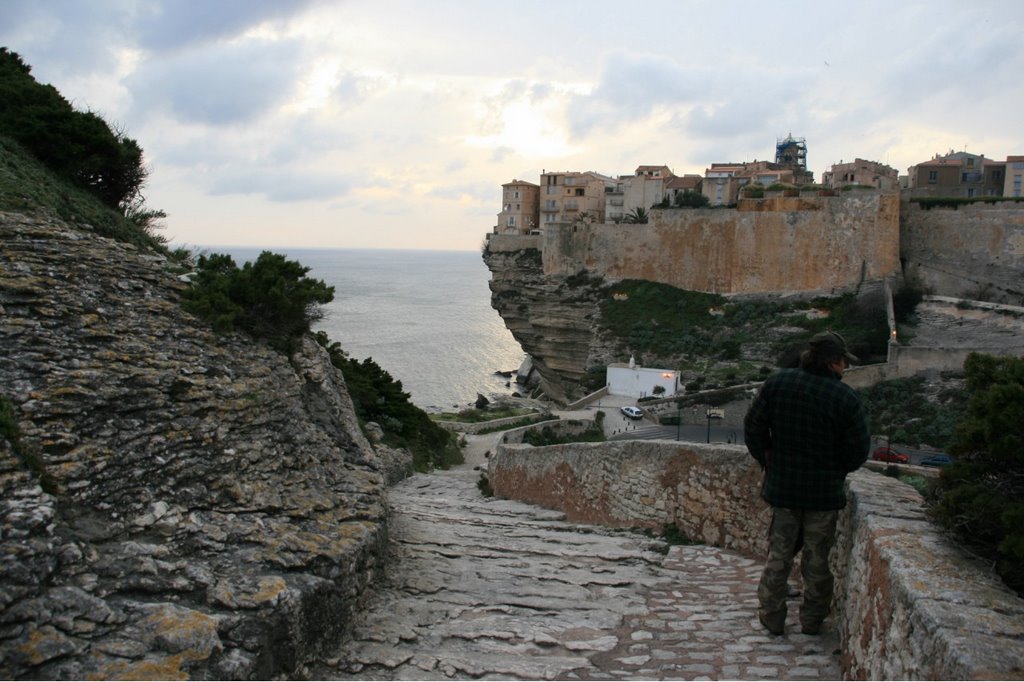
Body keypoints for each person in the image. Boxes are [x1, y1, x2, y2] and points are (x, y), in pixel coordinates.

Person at [743, 330, 870, 636]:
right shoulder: (844, 398)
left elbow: (753, 427)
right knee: (817, 561)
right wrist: (835, 470)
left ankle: (772, 616)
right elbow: (857, 451)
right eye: (842, 362)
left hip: (783, 488)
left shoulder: (778, 383)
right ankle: (812, 620)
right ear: (832, 363)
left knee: (779, 556)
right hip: (823, 495)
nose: (845, 367)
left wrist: (767, 460)